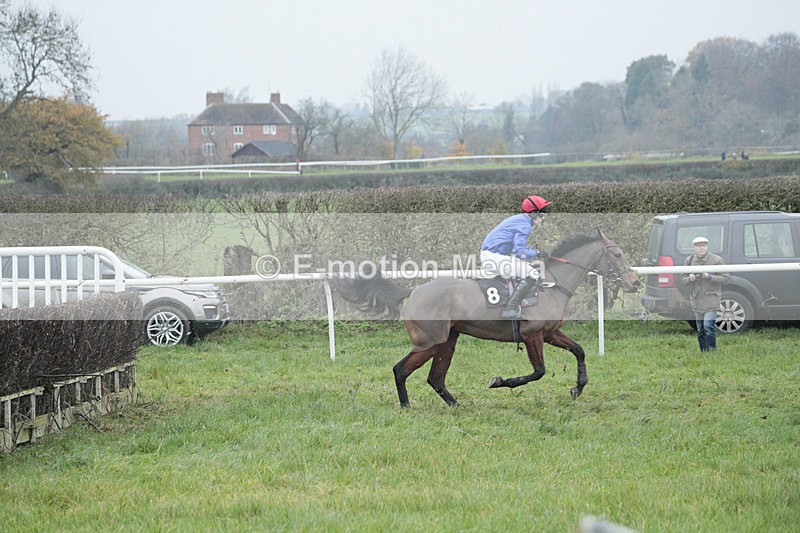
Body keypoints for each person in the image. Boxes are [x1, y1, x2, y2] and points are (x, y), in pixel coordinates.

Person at [481, 195, 551, 319]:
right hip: (493, 257)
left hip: (493, 256)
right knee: (532, 274)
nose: (544, 217)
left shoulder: (520, 220)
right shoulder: (525, 226)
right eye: (542, 213)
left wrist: (534, 251)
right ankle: (510, 309)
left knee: (526, 268)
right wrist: (537, 253)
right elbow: (519, 253)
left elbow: (516, 250)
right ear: (534, 213)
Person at [681, 236, 731, 351]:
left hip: (711, 299)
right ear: (694, 248)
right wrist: (690, 279)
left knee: (708, 326)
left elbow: (727, 279)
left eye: (703, 245)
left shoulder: (717, 260)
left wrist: (709, 277)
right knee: (700, 329)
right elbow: (683, 280)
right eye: (698, 246)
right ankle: (704, 352)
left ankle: (712, 351)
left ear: (707, 246)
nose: (701, 248)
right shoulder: (689, 260)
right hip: (696, 300)